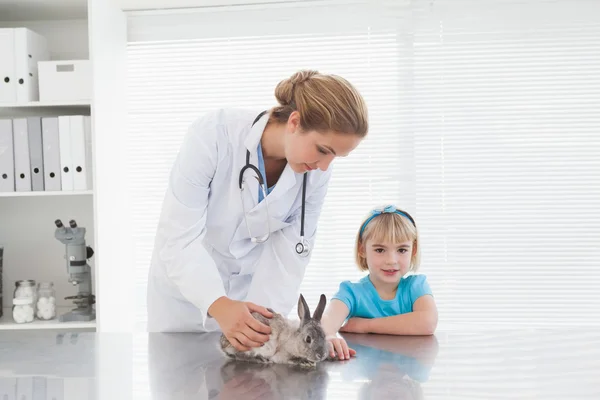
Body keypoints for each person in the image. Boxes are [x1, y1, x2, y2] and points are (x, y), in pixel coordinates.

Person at [146, 70, 369, 352]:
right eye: (323, 150)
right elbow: (178, 239)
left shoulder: (315, 173)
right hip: (183, 307)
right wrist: (219, 304)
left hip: (248, 302)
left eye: (336, 156)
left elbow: (288, 258)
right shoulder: (214, 136)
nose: (325, 166)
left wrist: (265, 330)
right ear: (295, 122)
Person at [320, 205, 438, 360]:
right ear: (362, 249)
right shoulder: (351, 292)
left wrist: (365, 326)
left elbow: (428, 322)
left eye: (402, 250)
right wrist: (327, 335)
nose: (391, 260)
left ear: (413, 250)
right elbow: (328, 319)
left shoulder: (416, 286)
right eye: (380, 250)